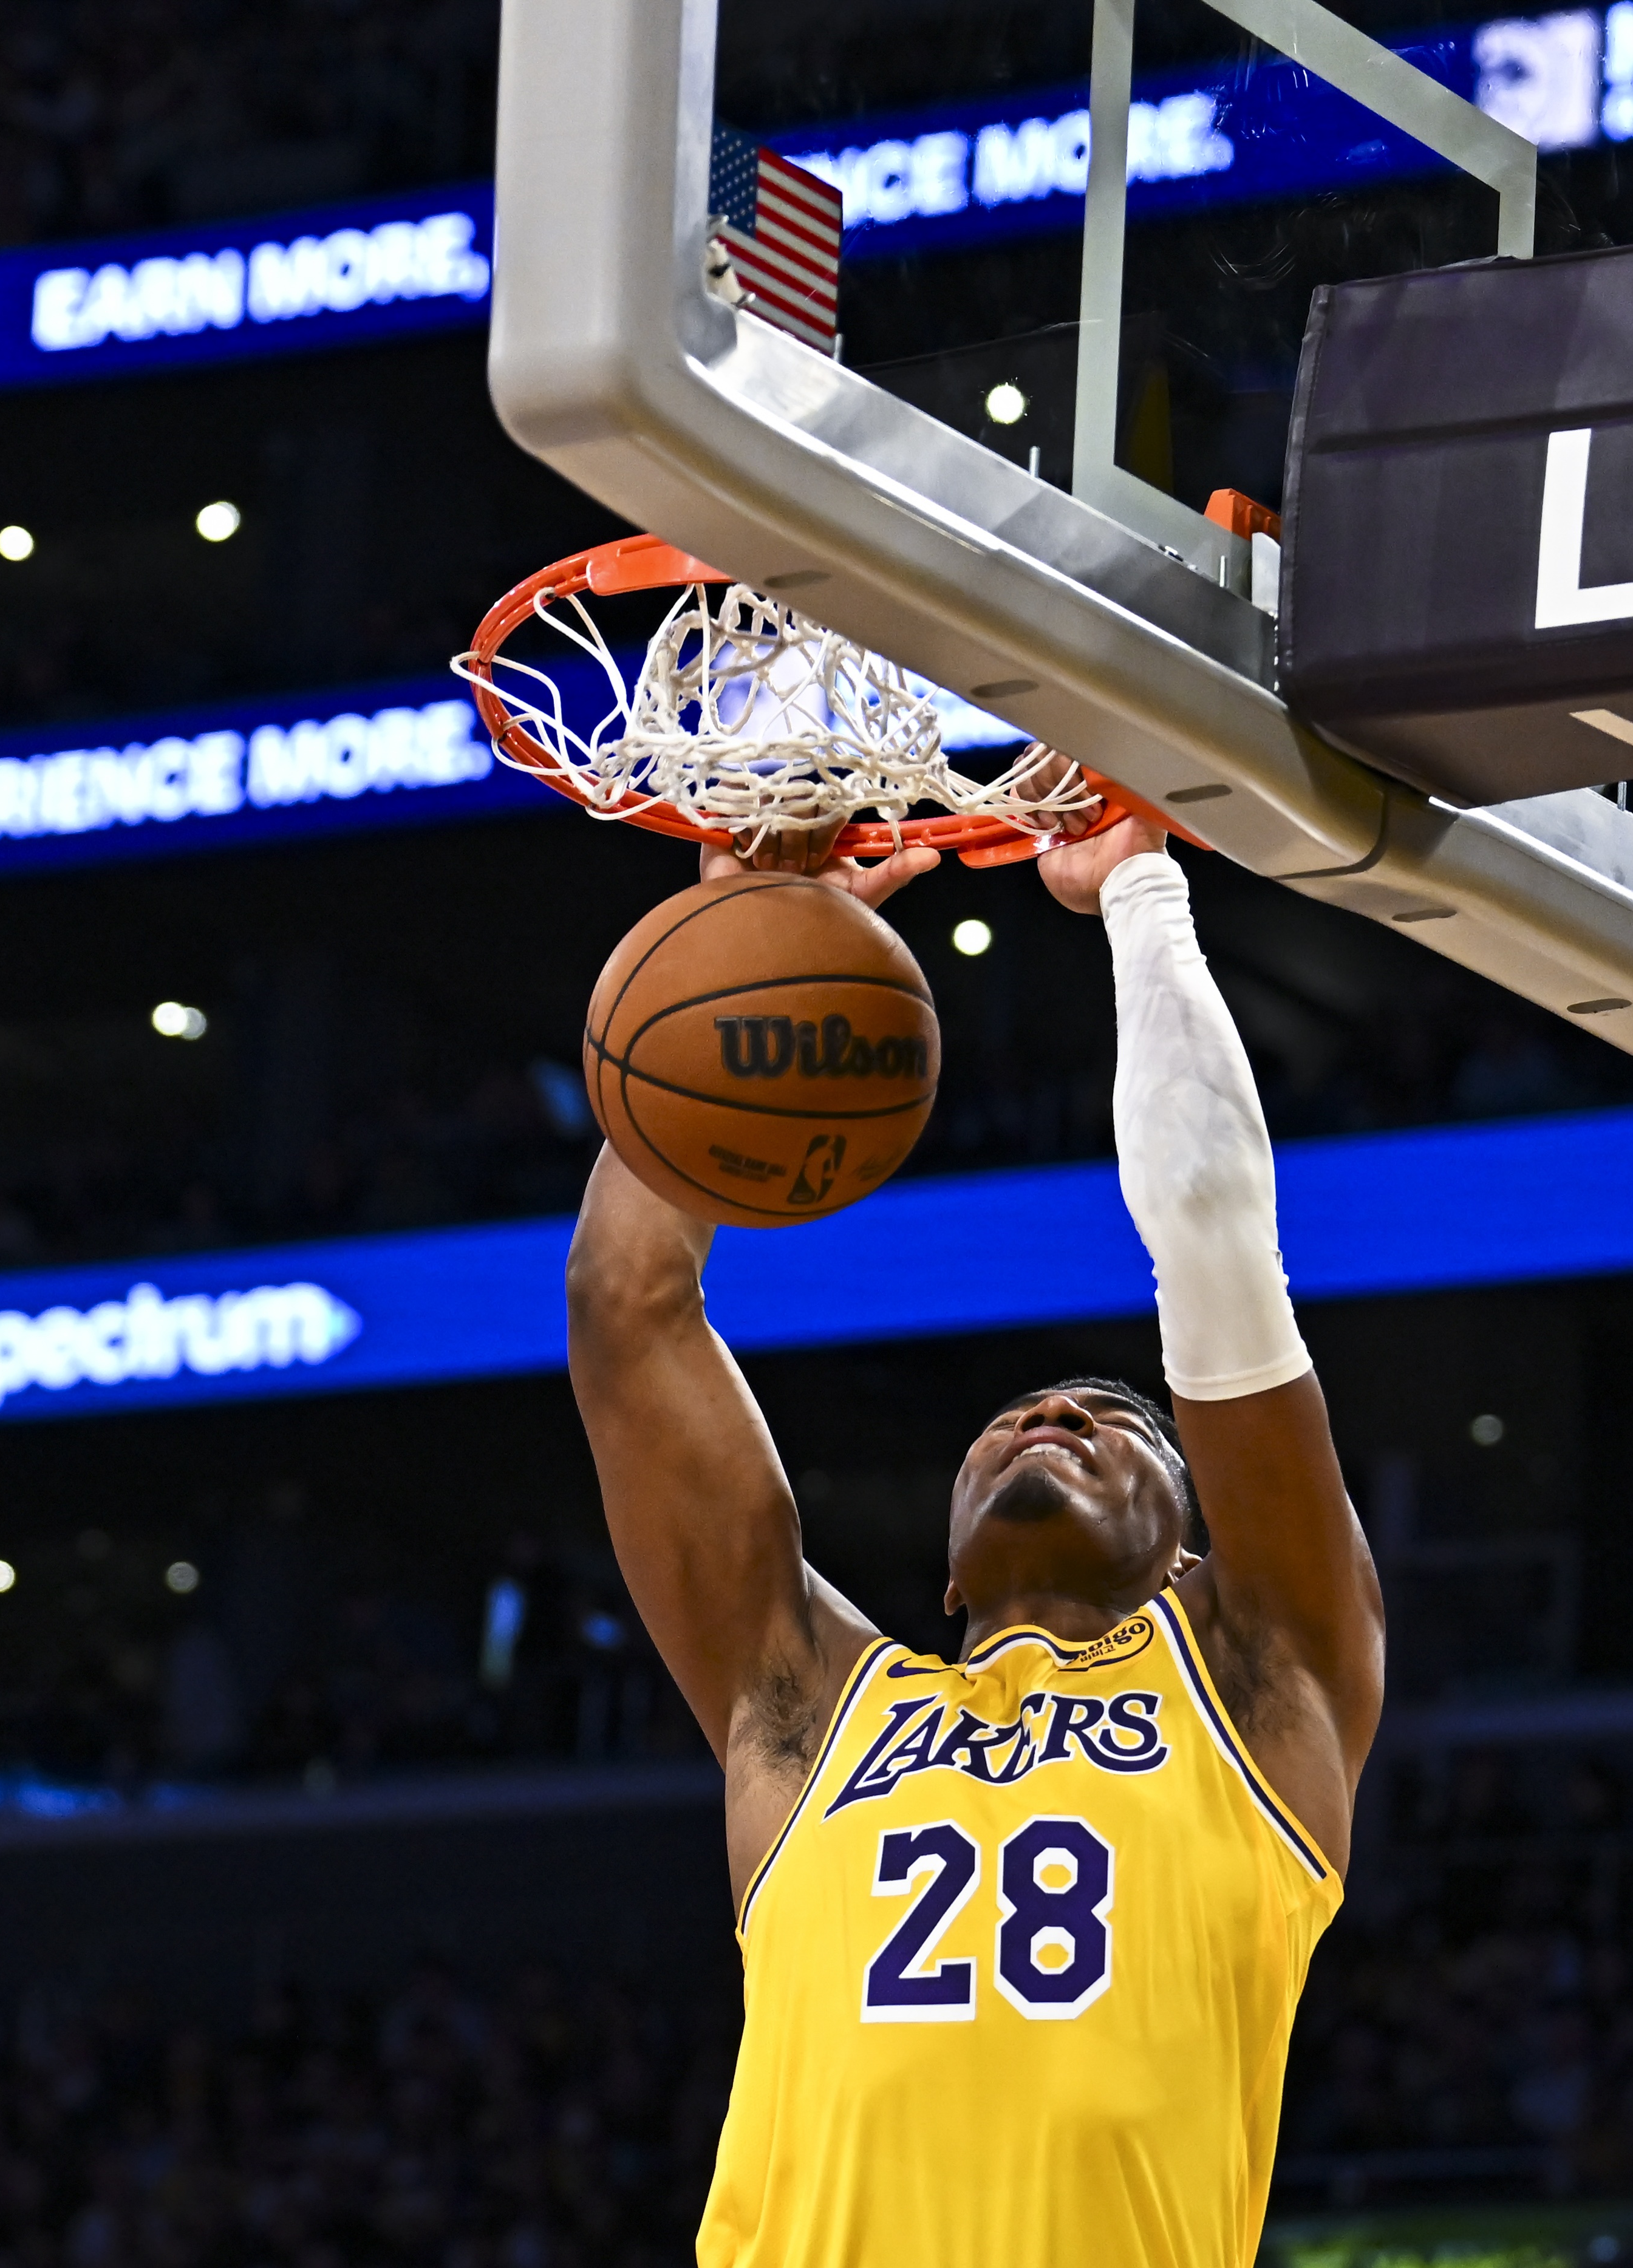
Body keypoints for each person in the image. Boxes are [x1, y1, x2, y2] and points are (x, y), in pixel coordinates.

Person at [565, 806, 1383, 2267]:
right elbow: (627, 1309)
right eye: (1014, 1417)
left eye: (1118, 1421)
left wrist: (1139, 890)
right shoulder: (815, 1709)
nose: (1054, 1410)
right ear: (946, 1572)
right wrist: (754, 942)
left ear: (1194, 1565)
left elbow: (1211, 1227)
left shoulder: (1263, 1688)